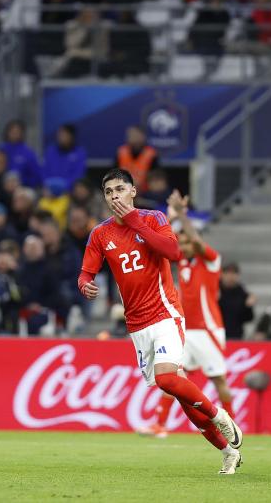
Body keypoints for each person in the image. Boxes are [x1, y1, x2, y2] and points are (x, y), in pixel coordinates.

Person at [78, 169, 243, 475]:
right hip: (137, 325)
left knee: (168, 380)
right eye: (108, 191)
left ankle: (220, 415)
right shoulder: (100, 233)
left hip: (165, 312)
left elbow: (172, 251)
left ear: (132, 192)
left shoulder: (154, 218)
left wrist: (136, 222)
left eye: (119, 189)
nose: (114, 195)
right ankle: (227, 450)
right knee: (179, 393)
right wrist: (84, 283)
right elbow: (87, 270)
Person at [137, 190, 236, 438]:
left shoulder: (211, 261)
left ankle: (231, 424)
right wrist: (168, 220)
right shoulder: (182, 262)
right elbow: (164, 241)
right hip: (184, 329)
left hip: (207, 330)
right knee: (172, 377)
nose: (183, 245)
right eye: (181, 243)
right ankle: (160, 424)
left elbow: (199, 243)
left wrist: (181, 215)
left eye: (187, 242)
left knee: (218, 380)